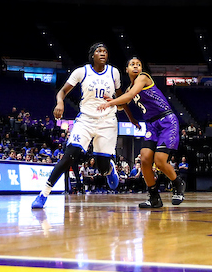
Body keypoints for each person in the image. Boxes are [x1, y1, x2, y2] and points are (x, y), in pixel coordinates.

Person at [32, 44, 123, 209]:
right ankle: (43, 194)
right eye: (98, 51)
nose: (102, 53)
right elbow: (62, 92)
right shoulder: (82, 71)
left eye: (105, 51)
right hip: (86, 119)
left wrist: (117, 101)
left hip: (107, 121)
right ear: (92, 55)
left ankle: (109, 168)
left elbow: (122, 99)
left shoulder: (114, 72)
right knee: (70, 156)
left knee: (101, 168)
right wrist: (60, 102)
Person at [102, 57, 186, 209]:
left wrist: (110, 102)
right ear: (126, 69)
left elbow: (127, 97)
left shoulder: (143, 78)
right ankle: (154, 197)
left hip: (166, 120)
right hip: (151, 125)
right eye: (132, 64)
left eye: (138, 64)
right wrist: (130, 117)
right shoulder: (129, 88)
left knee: (160, 161)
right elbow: (122, 105)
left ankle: (178, 183)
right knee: (145, 160)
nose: (136, 66)